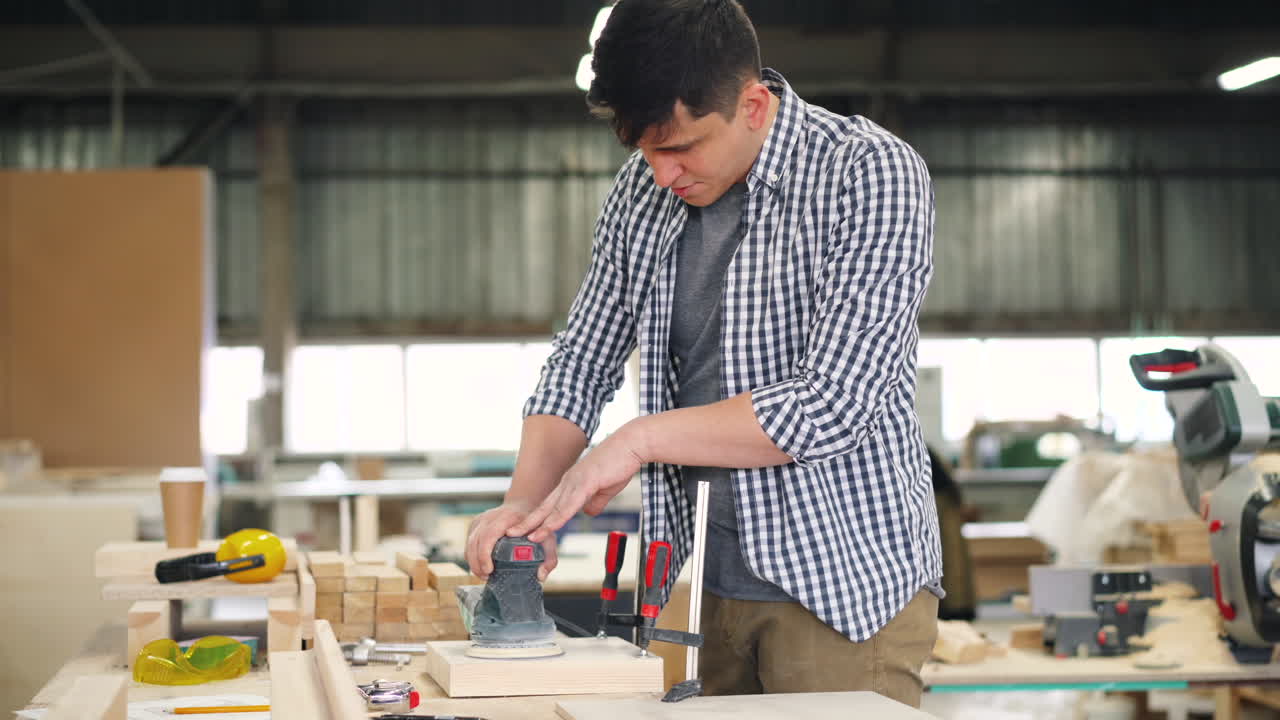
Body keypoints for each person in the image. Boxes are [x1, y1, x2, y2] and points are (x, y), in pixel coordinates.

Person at [466, 0, 942, 706]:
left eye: (681, 148)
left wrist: (639, 440)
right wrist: (524, 510)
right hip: (691, 585)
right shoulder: (642, 193)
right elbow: (581, 362)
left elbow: (833, 404)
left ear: (753, 105)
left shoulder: (868, 174)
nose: (662, 174)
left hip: (842, 590)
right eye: (645, 152)